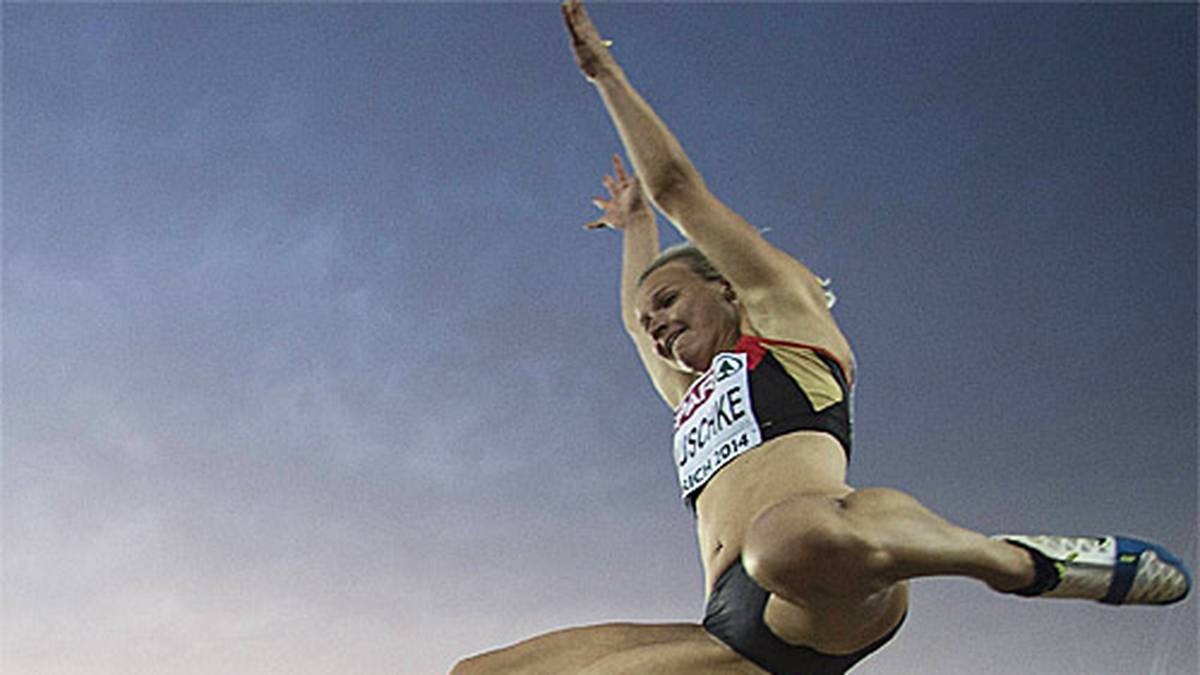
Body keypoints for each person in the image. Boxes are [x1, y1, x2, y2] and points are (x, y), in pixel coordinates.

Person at [452, 3, 1191, 673]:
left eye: (671, 301)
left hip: (825, 584)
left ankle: (1013, 561)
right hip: (734, 633)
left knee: (787, 539)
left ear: (728, 287)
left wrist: (605, 75)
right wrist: (633, 229)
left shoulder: (788, 319)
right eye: (652, 320)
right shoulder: (692, 395)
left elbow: (679, 186)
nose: (659, 325)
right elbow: (630, 317)